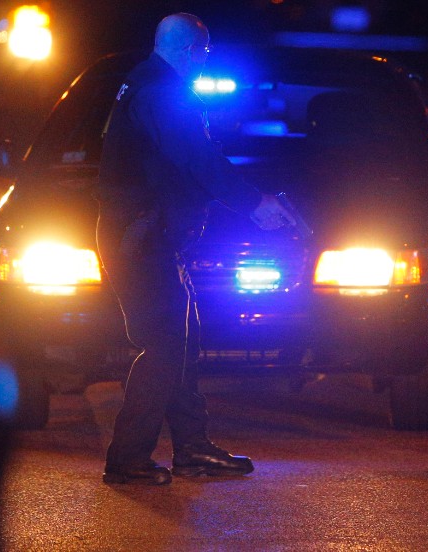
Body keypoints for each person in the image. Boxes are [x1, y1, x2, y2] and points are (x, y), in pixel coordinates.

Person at [95, 13, 298, 485]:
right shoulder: (163, 93)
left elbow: (182, 164)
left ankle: (191, 449)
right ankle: (126, 459)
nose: (204, 63)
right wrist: (254, 203)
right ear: (191, 51)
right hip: (140, 239)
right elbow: (197, 158)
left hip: (151, 236)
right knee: (165, 344)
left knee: (181, 343)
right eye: (204, 54)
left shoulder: (147, 84)